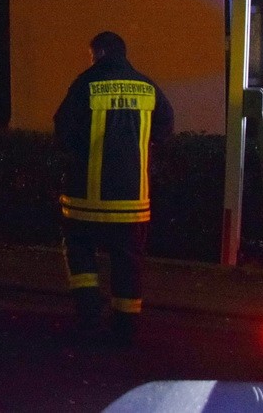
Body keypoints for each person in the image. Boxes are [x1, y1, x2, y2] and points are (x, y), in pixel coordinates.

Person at [52, 31, 174, 346]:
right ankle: (125, 328)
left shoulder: (85, 84)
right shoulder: (147, 87)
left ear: (101, 53)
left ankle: (90, 315)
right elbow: (165, 128)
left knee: (79, 252)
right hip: (133, 201)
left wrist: (82, 151)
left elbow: (62, 130)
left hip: (85, 198)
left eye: (91, 55)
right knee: (128, 261)